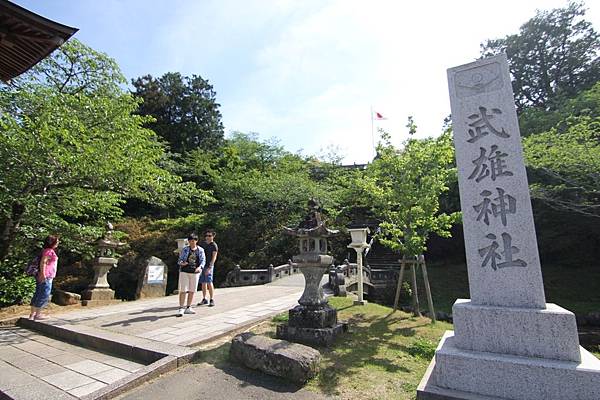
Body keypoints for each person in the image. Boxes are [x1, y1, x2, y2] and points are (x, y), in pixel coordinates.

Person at [29, 235, 59, 320]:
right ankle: (38, 314)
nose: (58, 243)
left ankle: (32, 314)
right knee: (44, 294)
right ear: (52, 242)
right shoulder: (49, 251)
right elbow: (43, 262)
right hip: (46, 275)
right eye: (57, 241)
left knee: (38, 293)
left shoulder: (46, 250)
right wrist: (43, 274)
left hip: (44, 275)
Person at [176, 233, 205, 317]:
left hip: (195, 272)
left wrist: (200, 268)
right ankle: (181, 308)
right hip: (185, 271)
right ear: (188, 241)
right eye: (191, 241)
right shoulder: (185, 249)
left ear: (196, 241)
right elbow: (179, 260)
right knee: (183, 290)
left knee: (192, 290)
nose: (192, 242)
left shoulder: (200, 250)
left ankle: (188, 307)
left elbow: (203, 261)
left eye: (194, 241)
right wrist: (182, 263)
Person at [198, 229, 218, 307]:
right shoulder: (203, 244)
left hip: (209, 266)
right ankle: (204, 298)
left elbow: (214, 257)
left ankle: (212, 299)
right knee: (203, 282)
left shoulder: (214, 245)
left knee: (209, 282)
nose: (207, 237)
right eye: (206, 236)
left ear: (213, 236)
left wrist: (210, 267)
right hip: (202, 265)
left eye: (209, 236)